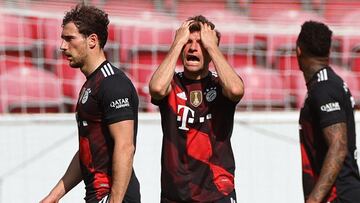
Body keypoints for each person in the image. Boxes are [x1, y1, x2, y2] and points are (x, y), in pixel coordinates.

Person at [40, 4, 140, 203]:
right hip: (97, 196)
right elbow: (89, 151)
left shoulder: (113, 84)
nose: (62, 46)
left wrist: (115, 200)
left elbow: (125, 146)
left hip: (114, 196)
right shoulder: (91, 85)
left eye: (69, 39)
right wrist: (54, 196)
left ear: (92, 40)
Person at [149, 15, 244, 202]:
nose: (193, 48)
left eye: (200, 43)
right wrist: (177, 43)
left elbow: (235, 90)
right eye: (188, 42)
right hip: (175, 194)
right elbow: (157, 88)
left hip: (217, 192)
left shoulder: (220, 83)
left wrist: (212, 47)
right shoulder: (172, 83)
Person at [297, 21, 360, 203]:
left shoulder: (324, 88)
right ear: (328, 52)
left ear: (298, 50)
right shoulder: (328, 83)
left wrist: (314, 200)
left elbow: (338, 146)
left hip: (339, 196)